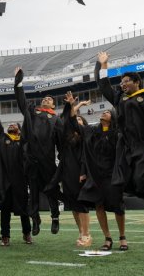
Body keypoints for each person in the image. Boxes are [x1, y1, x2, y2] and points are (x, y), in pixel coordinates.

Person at [96, 52, 144, 217]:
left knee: (142, 182)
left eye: (126, 81)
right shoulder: (120, 99)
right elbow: (104, 86)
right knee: (122, 183)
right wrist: (104, 65)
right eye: (121, 82)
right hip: (126, 146)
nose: (123, 85)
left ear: (137, 82)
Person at [14, 67, 63, 235]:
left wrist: (62, 158)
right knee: (33, 192)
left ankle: (55, 218)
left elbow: (60, 141)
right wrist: (18, 83)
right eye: (44, 98)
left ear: (54, 105)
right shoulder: (33, 112)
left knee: (51, 190)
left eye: (49, 99)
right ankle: (35, 219)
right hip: (31, 159)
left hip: (48, 160)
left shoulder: (56, 119)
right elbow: (21, 101)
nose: (46, 100)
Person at [75, 102, 128, 251]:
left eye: (107, 112)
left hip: (113, 174)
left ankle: (122, 237)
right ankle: (107, 238)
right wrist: (75, 105)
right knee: (98, 205)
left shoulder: (118, 133)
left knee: (118, 206)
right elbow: (74, 124)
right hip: (96, 175)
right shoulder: (93, 131)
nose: (104, 113)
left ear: (113, 118)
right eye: (103, 112)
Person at [45, 92, 93, 246]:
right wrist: (74, 105)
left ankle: (86, 235)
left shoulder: (85, 134)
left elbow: (72, 119)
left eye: (80, 120)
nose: (76, 121)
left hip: (79, 170)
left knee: (81, 203)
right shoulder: (67, 135)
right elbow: (67, 120)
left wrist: (84, 172)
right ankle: (80, 231)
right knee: (67, 200)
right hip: (65, 169)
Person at [0, 93, 32, 246]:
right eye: (10, 125)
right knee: (4, 210)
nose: (11, 125)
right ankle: (5, 236)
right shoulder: (2, 140)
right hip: (4, 180)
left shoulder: (24, 141)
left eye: (14, 125)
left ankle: (27, 233)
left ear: (19, 130)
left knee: (24, 209)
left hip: (20, 180)